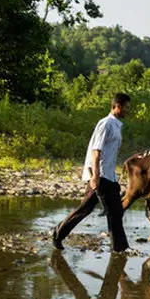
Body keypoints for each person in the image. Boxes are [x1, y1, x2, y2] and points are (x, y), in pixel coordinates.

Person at [52, 92, 131, 253]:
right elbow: (96, 151)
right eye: (127, 107)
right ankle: (57, 235)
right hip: (100, 176)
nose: (128, 111)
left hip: (110, 176)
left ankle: (120, 249)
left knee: (116, 212)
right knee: (85, 209)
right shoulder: (105, 124)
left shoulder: (117, 125)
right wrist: (95, 176)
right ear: (117, 106)